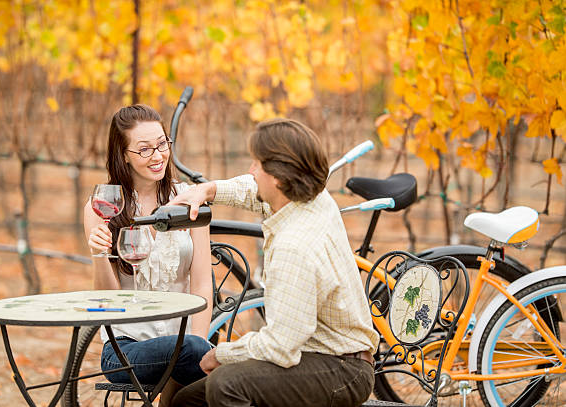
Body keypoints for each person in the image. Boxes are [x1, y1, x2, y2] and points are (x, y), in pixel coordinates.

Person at [168, 118, 379, 407]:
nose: (251, 170)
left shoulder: (294, 245)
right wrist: (208, 190)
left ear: (278, 178)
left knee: (225, 384)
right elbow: (251, 191)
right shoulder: (312, 197)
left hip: (342, 369)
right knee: (187, 400)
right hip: (316, 355)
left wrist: (223, 353)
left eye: (257, 164)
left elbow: (281, 347)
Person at [84, 104, 213, 406]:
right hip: (125, 350)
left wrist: (201, 343)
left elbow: (202, 283)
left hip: (187, 341)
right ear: (122, 155)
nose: (157, 156)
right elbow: (107, 303)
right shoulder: (103, 206)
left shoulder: (187, 200)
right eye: (144, 150)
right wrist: (99, 254)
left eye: (162, 144)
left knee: (203, 357)